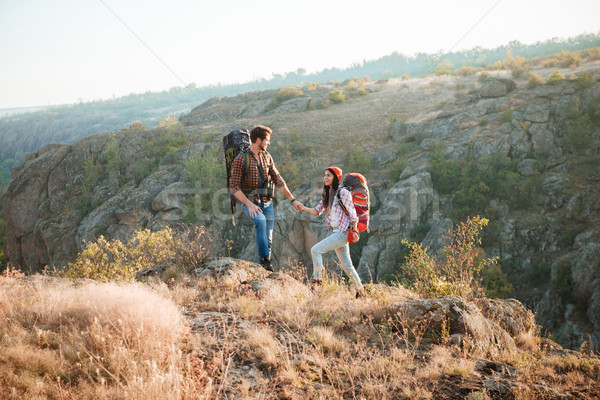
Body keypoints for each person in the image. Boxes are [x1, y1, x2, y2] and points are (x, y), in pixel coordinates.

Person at [229, 125, 303, 271]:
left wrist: (293, 199)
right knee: (261, 222)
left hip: (267, 204)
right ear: (258, 140)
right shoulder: (241, 159)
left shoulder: (267, 157)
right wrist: (249, 205)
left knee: (268, 235)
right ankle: (265, 260)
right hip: (251, 202)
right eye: (267, 140)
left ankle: (264, 266)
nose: (269, 143)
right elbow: (234, 187)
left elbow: (278, 180)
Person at [299, 167, 365, 297]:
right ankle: (361, 291)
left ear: (336, 177)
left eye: (329, 175)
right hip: (336, 232)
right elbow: (317, 211)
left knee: (315, 250)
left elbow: (353, 214)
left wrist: (355, 230)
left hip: (344, 232)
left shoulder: (343, 193)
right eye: (325, 175)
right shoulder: (328, 194)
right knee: (347, 266)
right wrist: (303, 208)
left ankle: (317, 281)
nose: (325, 178)